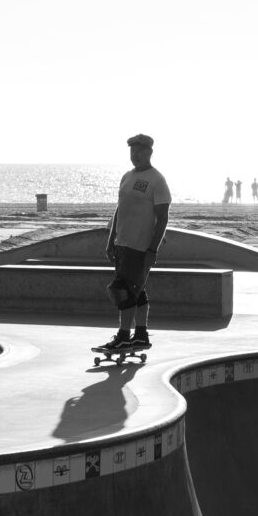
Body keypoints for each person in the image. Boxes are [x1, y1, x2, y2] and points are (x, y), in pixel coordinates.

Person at [100, 134, 171, 354]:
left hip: (140, 247)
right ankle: (140, 335)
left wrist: (153, 249)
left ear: (149, 152)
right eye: (132, 151)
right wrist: (111, 239)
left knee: (123, 291)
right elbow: (120, 209)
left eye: (139, 151)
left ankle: (123, 337)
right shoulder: (127, 177)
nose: (135, 155)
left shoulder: (157, 180)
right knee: (137, 291)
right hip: (122, 243)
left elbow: (163, 218)